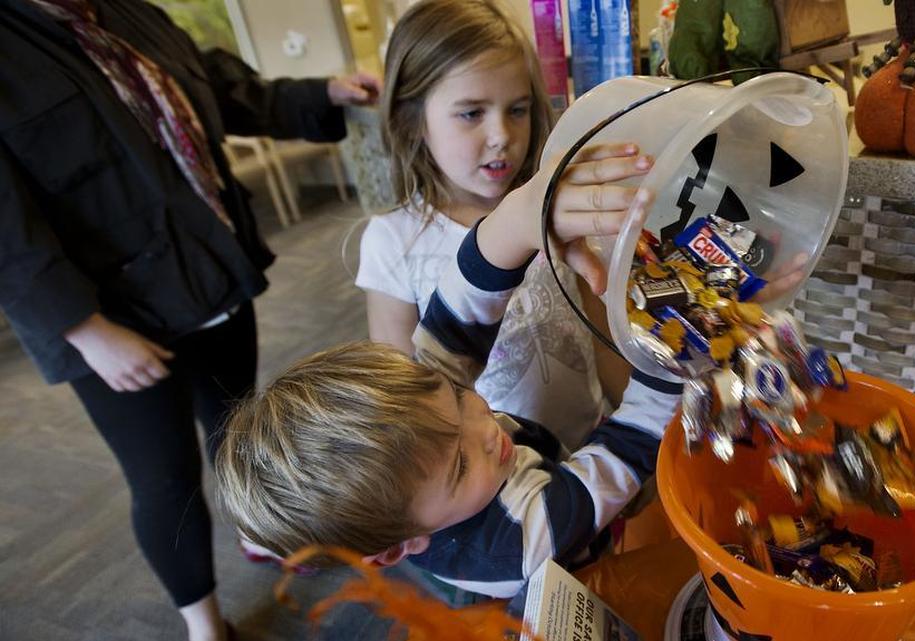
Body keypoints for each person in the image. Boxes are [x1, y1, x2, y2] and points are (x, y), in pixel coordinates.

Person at [0, 1, 380, 639]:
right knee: (164, 477)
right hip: (111, 318)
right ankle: (205, 628)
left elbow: (227, 92)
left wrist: (324, 90)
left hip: (208, 277)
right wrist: (84, 330)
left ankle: (260, 530)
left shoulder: (127, 13)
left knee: (235, 426)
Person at [217, 143, 680, 599]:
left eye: (457, 398)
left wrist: (517, 220)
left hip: (557, 473)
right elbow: (624, 450)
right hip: (575, 558)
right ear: (403, 546)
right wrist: (676, 352)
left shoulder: (421, 421)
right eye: (460, 466)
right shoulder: (513, 548)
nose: (483, 425)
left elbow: (461, 308)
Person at [356, 0, 621, 451]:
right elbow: (403, 406)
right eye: (471, 113)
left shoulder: (551, 207)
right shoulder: (391, 242)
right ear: (412, 118)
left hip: (592, 455)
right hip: (499, 487)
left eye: (517, 110)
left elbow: (600, 335)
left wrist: (633, 431)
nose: (502, 135)